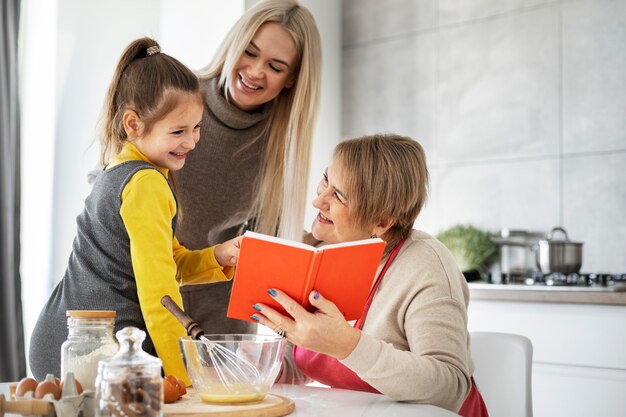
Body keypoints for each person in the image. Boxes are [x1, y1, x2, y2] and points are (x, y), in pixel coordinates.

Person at [29, 38, 242, 384]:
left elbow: (164, 264)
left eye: (197, 128)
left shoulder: (117, 170)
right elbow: (160, 294)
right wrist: (182, 379)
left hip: (63, 339)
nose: (191, 142)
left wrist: (217, 256)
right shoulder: (146, 184)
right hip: (99, 351)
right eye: (178, 131)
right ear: (133, 124)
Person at [250, 134, 489, 416]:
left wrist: (348, 345)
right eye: (325, 181)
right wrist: (251, 365)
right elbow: (300, 364)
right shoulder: (323, 255)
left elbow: (449, 388)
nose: (318, 201)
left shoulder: (425, 266)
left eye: (338, 195)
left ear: (382, 221)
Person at [174, 0, 321, 335]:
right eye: (250, 52)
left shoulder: (281, 143)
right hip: (141, 295)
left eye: (276, 66)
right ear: (234, 43)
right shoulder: (178, 95)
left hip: (218, 320)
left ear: (291, 78)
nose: (255, 72)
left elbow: (264, 245)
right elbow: (111, 187)